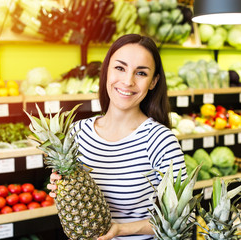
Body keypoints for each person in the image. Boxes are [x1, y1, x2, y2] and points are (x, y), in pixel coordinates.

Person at [48, 34, 187, 240]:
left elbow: (182, 218)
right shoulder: (77, 133)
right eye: (120, 68)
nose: (128, 81)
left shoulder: (160, 141)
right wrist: (61, 190)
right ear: (106, 72)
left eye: (140, 73)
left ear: (153, 82)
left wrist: (122, 229)